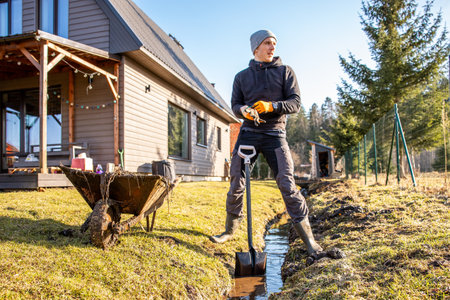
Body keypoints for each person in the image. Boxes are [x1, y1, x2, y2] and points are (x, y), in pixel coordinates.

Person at [210, 30, 323, 256]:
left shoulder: (285, 72)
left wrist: (272, 107)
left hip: (275, 135)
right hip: (249, 134)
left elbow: (295, 104)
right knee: (236, 182)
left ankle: (310, 242)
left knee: (287, 183)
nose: (273, 47)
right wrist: (244, 110)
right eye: (267, 43)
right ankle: (229, 231)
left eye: (274, 43)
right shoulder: (241, 77)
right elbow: (235, 105)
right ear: (256, 48)